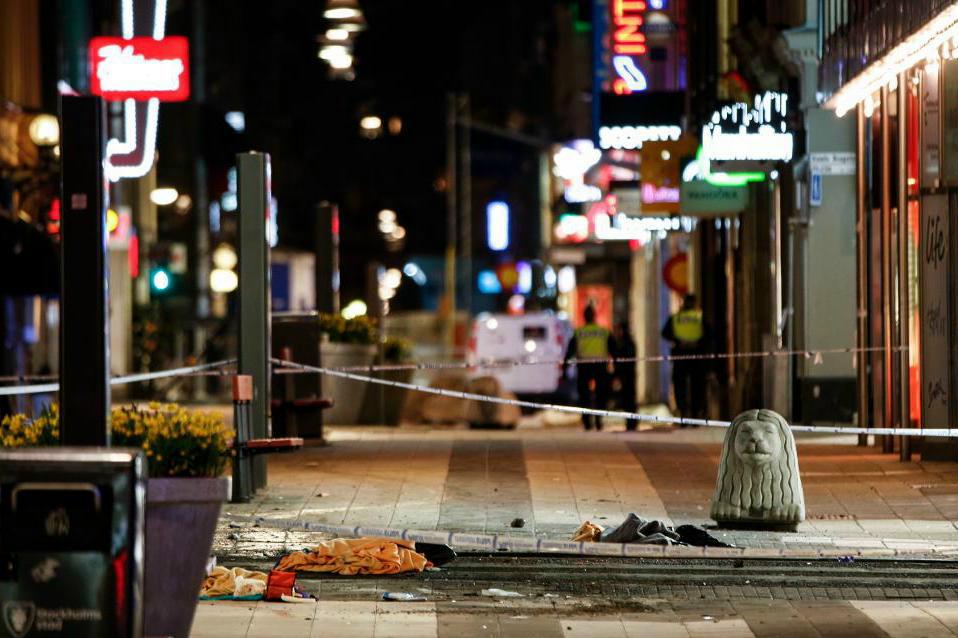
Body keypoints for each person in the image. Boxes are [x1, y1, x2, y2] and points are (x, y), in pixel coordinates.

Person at [563, 304, 614, 431]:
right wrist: (617, 369)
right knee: (600, 394)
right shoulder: (603, 331)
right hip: (600, 366)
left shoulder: (579, 332)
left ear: (584, 317)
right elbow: (614, 349)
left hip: (584, 366)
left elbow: (570, 351)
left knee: (584, 395)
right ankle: (599, 420)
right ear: (594, 316)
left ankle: (587, 422)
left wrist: (564, 368)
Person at [661, 294, 711, 423]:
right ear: (694, 303)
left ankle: (683, 413)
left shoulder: (676, 318)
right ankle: (695, 414)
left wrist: (679, 341)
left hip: (681, 356)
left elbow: (665, 333)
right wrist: (698, 343)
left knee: (680, 386)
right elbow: (710, 334)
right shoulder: (699, 317)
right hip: (696, 356)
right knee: (697, 385)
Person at [611, 321, 638, 431]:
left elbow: (624, 360)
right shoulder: (624, 342)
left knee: (629, 400)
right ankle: (630, 422)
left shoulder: (626, 343)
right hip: (625, 375)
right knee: (627, 400)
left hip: (628, 375)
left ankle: (632, 423)